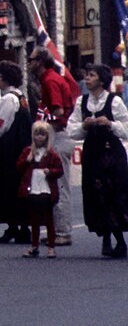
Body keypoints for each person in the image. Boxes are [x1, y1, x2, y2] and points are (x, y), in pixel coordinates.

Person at [64, 63, 128, 258]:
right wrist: (84, 126)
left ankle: (118, 239)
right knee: (96, 194)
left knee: (114, 193)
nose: (87, 79)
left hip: (111, 154)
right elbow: (71, 129)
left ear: (101, 80)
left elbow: (126, 127)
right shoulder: (81, 102)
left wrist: (110, 124)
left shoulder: (114, 102)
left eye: (91, 75)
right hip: (93, 152)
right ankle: (106, 237)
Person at [28, 47, 76, 245]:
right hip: (57, 134)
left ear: (40, 61)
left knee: (59, 183)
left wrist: (44, 128)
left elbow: (58, 110)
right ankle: (57, 228)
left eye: (31, 60)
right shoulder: (51, 79)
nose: (29, 63)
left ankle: (63, 231)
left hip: (58, 134)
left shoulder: (49, 81)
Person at [0, 61, 31, 244]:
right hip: (20, 147)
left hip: (9, 150)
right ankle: (19, 227)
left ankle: (15, 227)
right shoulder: (21, 97)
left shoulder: (9, 99)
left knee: (9, 187)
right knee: (17, 187)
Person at [15, 121, 62, 259]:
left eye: (42, 135)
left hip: (46, 188)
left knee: (48, 219)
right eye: (37, 134)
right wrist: (27, 161)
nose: (39, 137)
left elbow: (59, 170)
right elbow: (18, 167)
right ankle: (34, 245)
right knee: (34, 219)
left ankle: (51, 247)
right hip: (32, 187)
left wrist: (51, 171)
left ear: (47, 137)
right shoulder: (28, 151)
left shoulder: (51, 154)